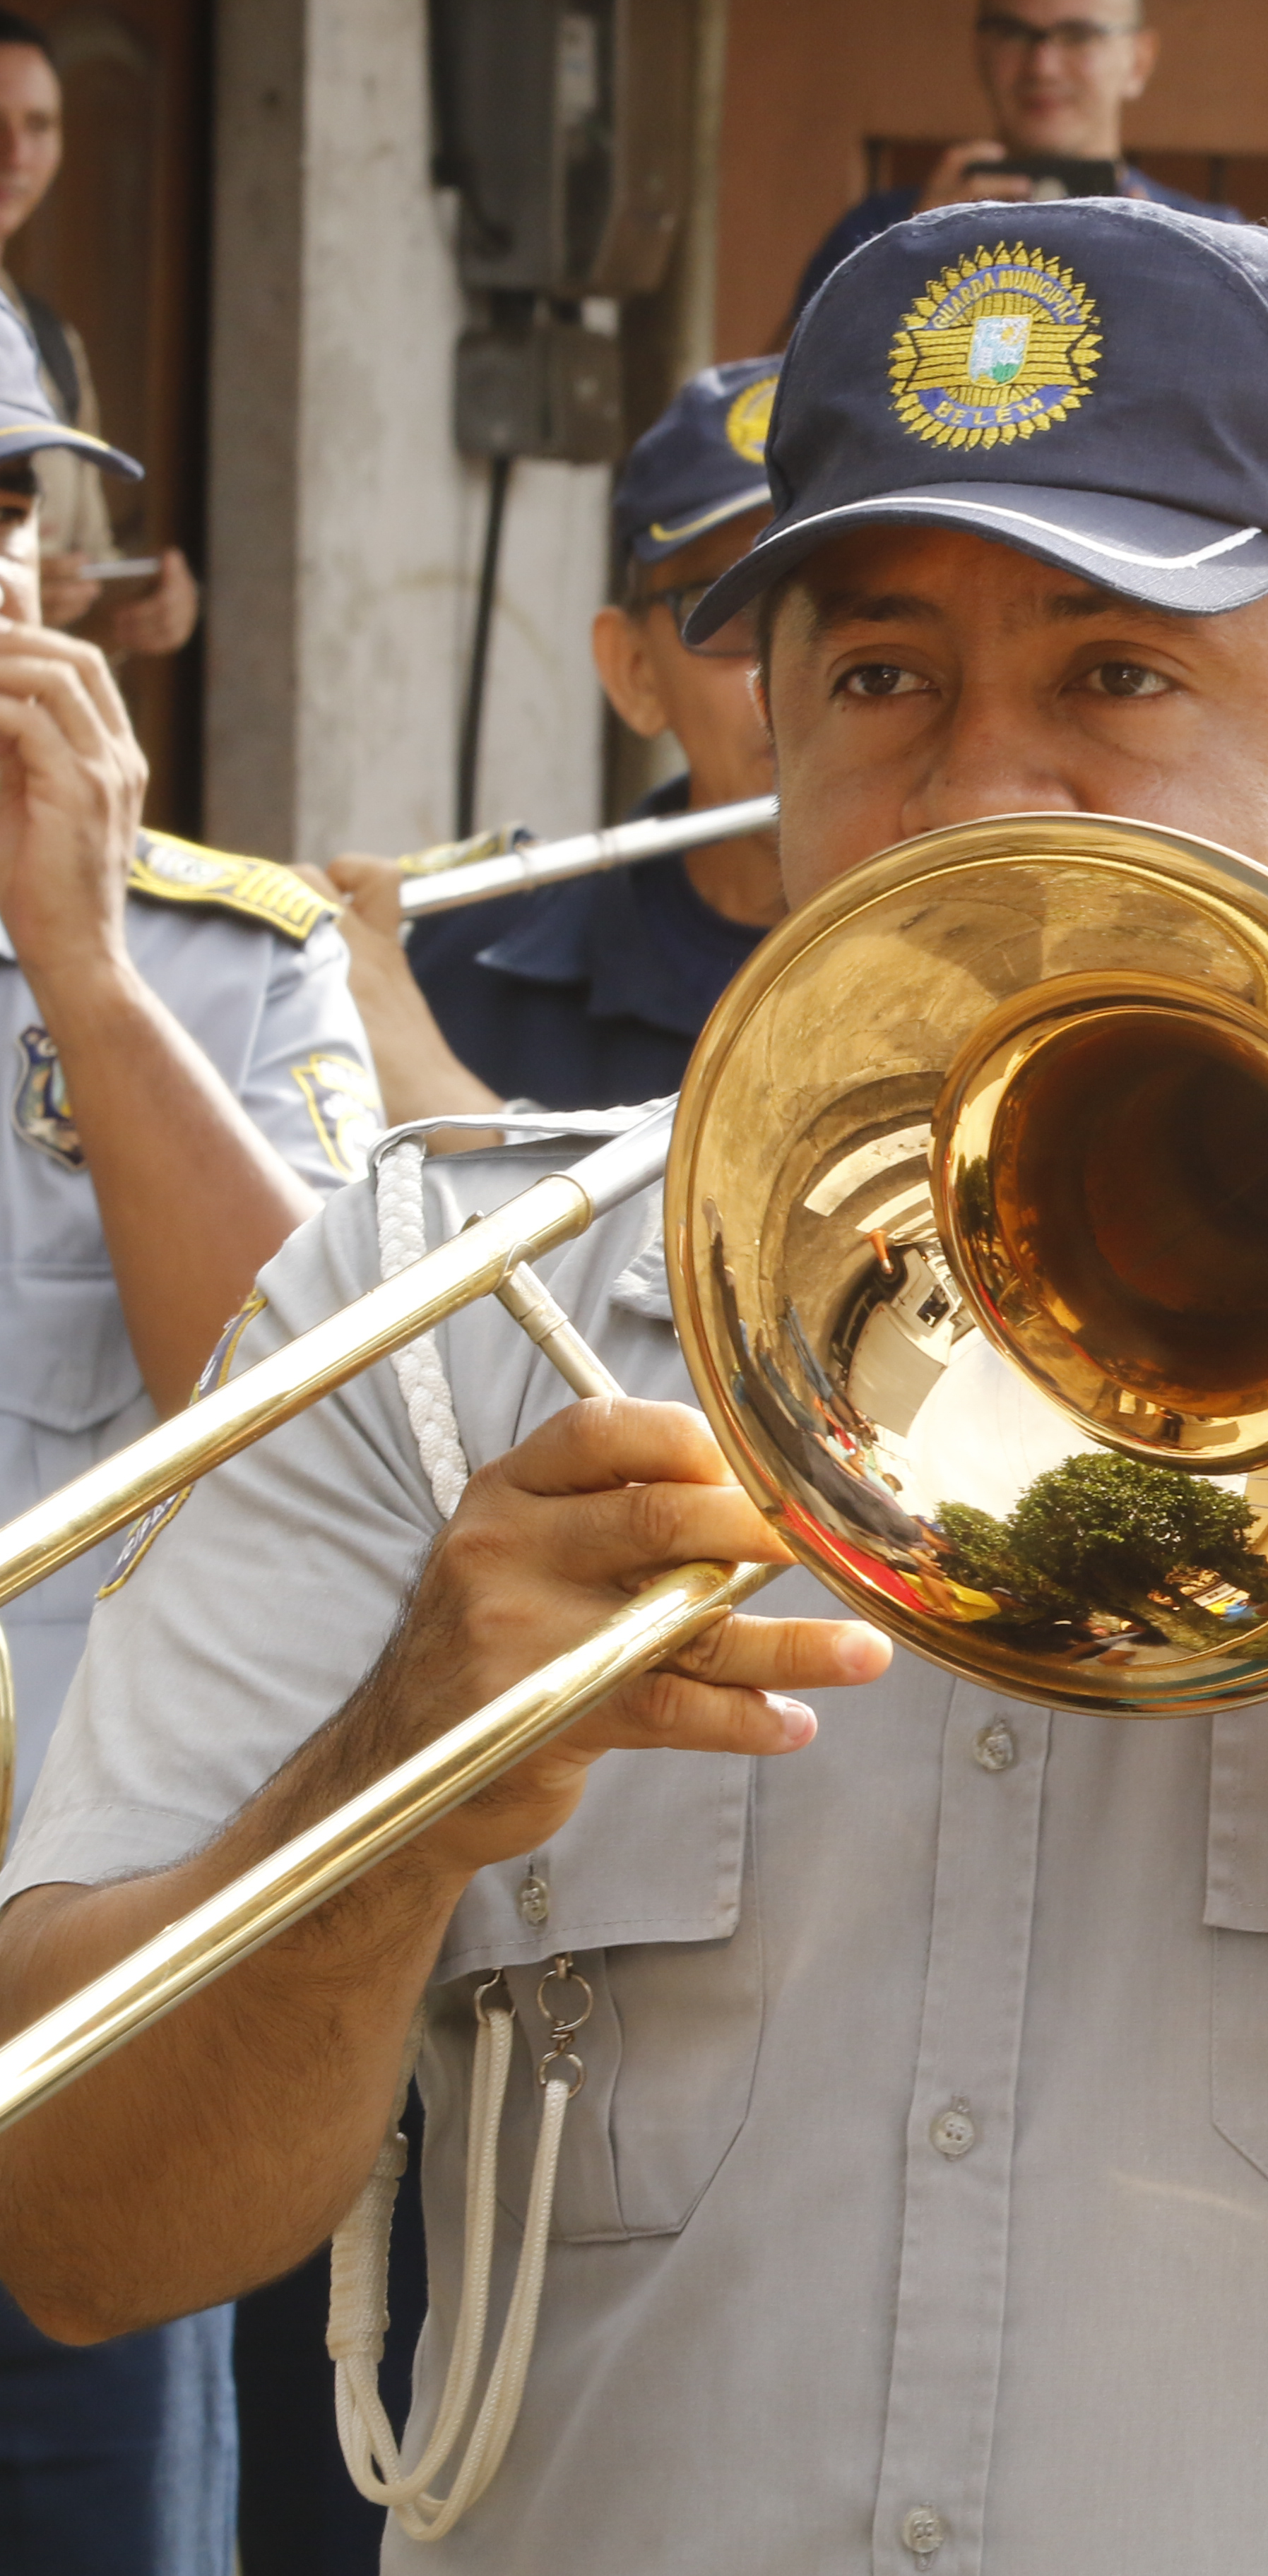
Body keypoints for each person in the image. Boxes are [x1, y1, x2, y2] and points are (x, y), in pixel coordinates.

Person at [0, 196, 1268, 2568]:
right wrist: (398, 1782)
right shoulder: (459, 1282)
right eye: (880, 681)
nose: (981, 786)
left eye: (1118, 678)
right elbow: (79, 2213)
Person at [0, 289, 370, 2576]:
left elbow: (315, 1431)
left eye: (4, 506)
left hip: (55, 2040)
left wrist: (87, 975)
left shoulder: (216, 961)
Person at [306, 359, 786, 1120]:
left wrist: (451, 1113)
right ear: (635, 673)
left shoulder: (1020, 974)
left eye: (858, 618)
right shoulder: (453, 962)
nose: (789, 676)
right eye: (731, 614)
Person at [786, 0, 1239, 329]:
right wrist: (909, 259)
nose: (1041, 66)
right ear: (980, 49)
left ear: (1138, 61)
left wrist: (1177, 286)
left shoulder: (1215, 243)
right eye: (1013, 33)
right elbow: (772, 409)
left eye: (1079, 35)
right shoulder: (878, 233)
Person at [0, 11, 193, 660]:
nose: (14, 155)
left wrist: (135, 612)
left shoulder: (50, 344)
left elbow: (81, 579)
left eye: (39, 126)